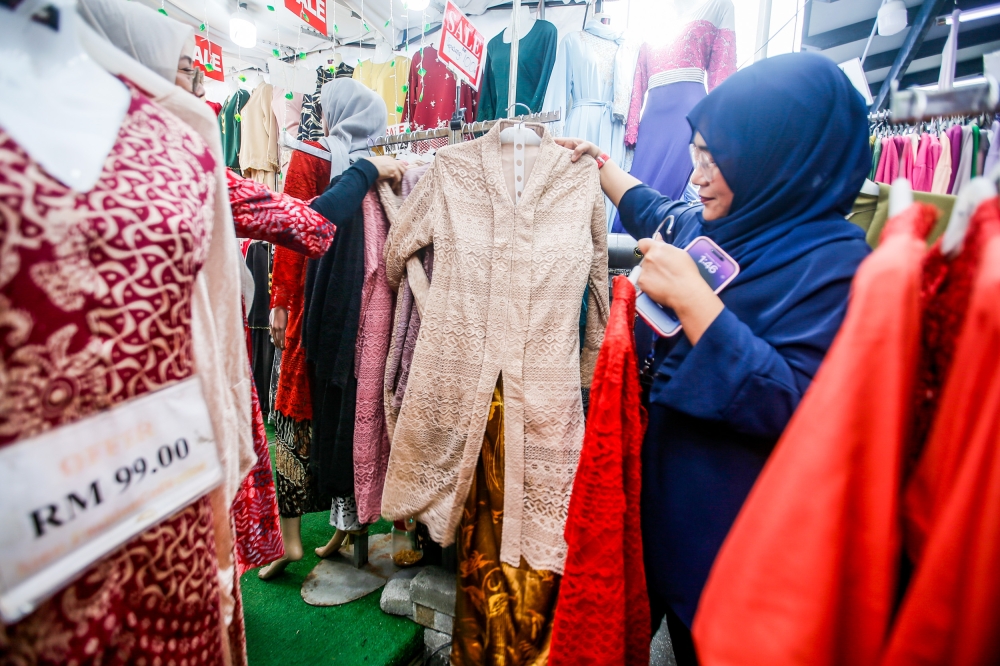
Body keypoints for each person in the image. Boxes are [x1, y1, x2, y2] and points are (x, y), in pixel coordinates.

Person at [557, 52, 872, 664]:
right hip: (671, 523)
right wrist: (599, 165)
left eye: (714, 159)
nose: (697, 175)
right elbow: (654, 208)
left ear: (777, 156)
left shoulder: (838, 269)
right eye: (695, 153)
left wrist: (696, 305)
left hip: (745, 546)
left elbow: (797, 408)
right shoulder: (720, 224)